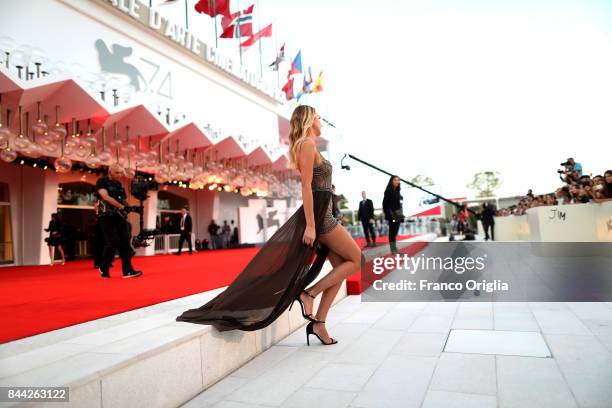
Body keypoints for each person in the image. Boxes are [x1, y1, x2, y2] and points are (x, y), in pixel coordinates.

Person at [177, 105, 364, 346]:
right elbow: (306, 187)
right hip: (320, 217)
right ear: (309, 120)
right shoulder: (306, 144)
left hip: (325, 213)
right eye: (318, 116)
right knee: (358, 259)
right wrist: (310, 225)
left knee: (341, 268)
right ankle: (309, 293)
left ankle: (319, 323)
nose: (321, 120)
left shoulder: (309, 144)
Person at [95, 164, 142, 279]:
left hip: (120, 216)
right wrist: (122, 206)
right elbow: (105, 197)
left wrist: (132, 208)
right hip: (106, 216)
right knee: (113, 241)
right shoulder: (102, 181)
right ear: (110, 172)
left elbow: (124, 201)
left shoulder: (119, 184)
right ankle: (104, 267)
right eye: (117, 173)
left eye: (121, 173)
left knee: (126, 242)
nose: (120, 175)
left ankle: (128, 271)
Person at [382, 175, 403, 255]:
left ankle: (394, 249)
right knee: (392, 232)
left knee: (395, 232)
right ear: (391, 181)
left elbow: (399, 204)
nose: (397, 181)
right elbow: (384, 203)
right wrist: (388, 214)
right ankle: (393, 250)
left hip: (398, 214)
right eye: (395, 180)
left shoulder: (397, 191)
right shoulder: (388, 190)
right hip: (392, 215)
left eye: (398, 180)